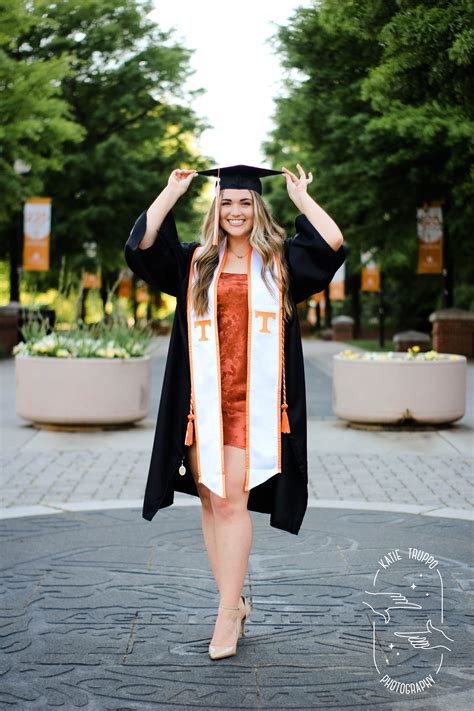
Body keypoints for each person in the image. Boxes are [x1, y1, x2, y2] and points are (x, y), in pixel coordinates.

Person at [124, 163, 347, 660]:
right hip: (203, 399)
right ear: (216, 208)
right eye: (227, 202)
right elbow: (141, 246)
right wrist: (170, 191)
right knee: (209, 500)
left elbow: (332, 246)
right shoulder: (196, 261)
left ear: (258, 208)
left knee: (231, 503)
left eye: (245, 202)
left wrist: (303, 199)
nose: (236, 211)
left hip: (258, 403)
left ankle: (226, 614)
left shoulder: (280, 261)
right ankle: (236, 602)